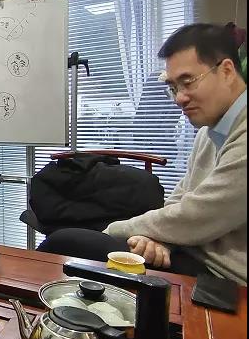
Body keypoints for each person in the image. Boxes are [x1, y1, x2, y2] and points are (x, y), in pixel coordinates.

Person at [39, 23, 247, 285]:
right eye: (173, 87)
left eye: (187, 82)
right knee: (71, 244)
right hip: (190, 253)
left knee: (68, 242)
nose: (179, 98)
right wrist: (159, 241)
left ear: (226, 71)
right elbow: (181, 199)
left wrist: (114, 231)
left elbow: (197, 215)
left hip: (226, 280)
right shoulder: (210, 130)